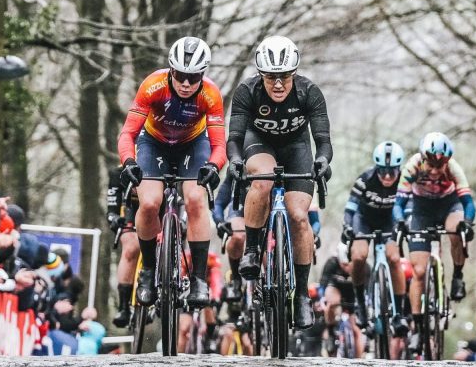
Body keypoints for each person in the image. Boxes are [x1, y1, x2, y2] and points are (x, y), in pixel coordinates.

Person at [225, 35, 333, 329]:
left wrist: (322, 162)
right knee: (263, 180)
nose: (277, 84)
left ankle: (300, 296)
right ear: (261, 75)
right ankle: (251, 250)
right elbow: (234, 139)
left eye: (284, 76)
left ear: (294, 73)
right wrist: (235, 162)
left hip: (297, 148)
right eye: (271, 77)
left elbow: (323, 142)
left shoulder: (309, 92)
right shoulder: (247, 92)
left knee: (299, 217)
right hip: (259, 144)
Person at [117, 37, 226, 308]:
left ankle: (199, 279)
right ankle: (149, 270)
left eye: (193, 77)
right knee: (150, 201)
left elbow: (219, 145)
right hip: (154, 143)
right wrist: (128, 160)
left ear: (203, 75)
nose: (186, 84)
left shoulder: (210, 94)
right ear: (170, 71)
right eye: (180, 76)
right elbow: (128, 133)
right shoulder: (153, 85)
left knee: (196, 199)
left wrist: (214, 166)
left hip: (193, 143)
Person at [394, 132, 476, 317]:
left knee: (456, 230)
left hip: (448, 205)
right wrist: (400, 221)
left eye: (440, 166)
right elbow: (398, 204)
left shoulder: (453, 168)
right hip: (422, 209)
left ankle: (457, 276)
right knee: (419, 271)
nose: (434, 171)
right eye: (431, 165)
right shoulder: (412, 166)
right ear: (422, 159)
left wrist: (468, 223)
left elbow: (468, 203)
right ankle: (416, 324)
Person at [342, 140, 409, 335]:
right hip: (364, 220)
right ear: (376, 168)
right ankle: (361, 304)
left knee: (395, 259)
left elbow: (409, 207)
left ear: (399, 169)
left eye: (392, 172)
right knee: (359, 256)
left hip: (390, 221)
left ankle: (399, 314)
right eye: (382, 171)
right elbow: (351, 207)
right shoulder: (365, 178)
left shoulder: (405, 180)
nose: (387, 177)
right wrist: (347, 226)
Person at [107, 166, 141, 327]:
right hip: (131, 208)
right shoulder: (118, 172)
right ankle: (123, 306)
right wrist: (113, 216)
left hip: (160, 207)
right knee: (130, 246)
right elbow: (112, 204)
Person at [212, 173, 245, 301]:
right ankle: (236, 279)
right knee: (237, 235)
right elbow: (218, 203)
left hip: (267, 202)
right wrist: (220, 221)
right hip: (241, 204)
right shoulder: (235, 172)